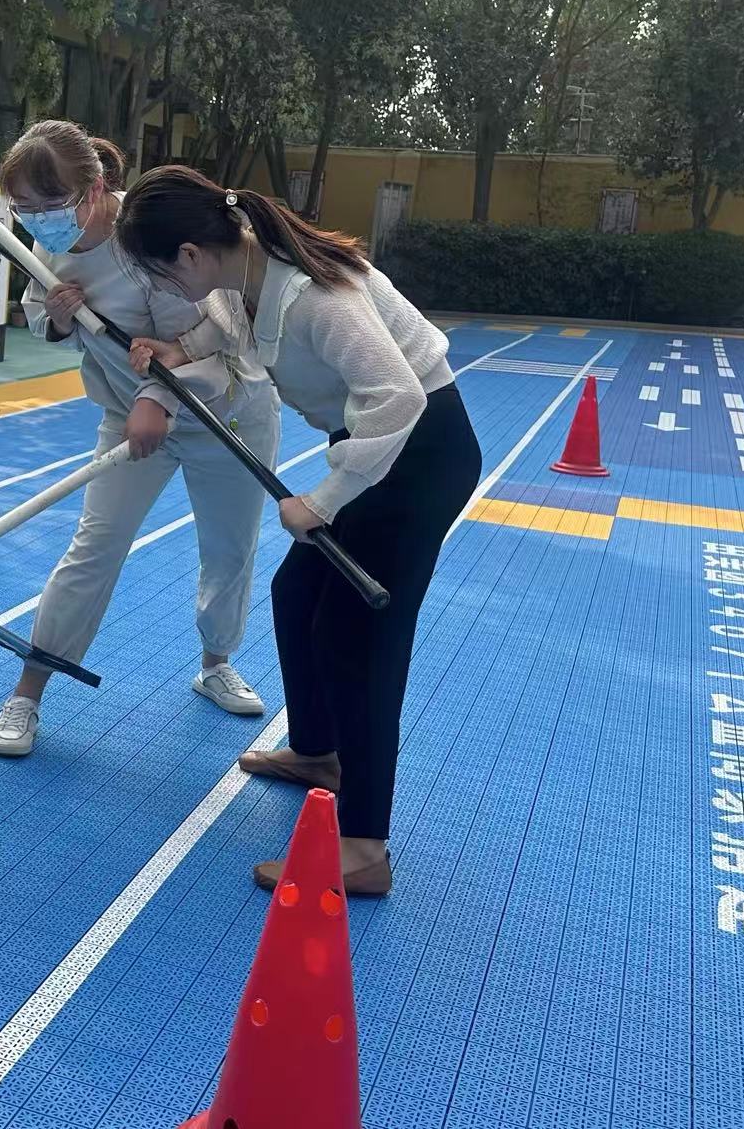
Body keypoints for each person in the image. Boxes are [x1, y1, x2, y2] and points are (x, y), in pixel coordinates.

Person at [119, 167, 480, 896]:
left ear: (190, 253)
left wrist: (323, 498)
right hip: (376, 447)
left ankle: (364, 846)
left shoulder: (318, 297)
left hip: (419, 454)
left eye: (161, 273)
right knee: (296, 594)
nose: (165, 288)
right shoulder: (243, 275)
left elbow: (398, 397)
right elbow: (229, 327)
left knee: (359, 637)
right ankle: (317, 753)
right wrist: (178, 352)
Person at [0, 121, 282, 758]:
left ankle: (216, 663)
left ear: (93, 190)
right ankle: (28, 691)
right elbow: (39, 312)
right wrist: (56, 319)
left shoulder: (148, 234)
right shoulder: (49, 241)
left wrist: (158, 399)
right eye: (24, 209)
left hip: (226, 411)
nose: (38, 220)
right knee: (93, 547)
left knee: (229, 548)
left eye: (48, 205)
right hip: (128, 418)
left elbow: (212, 338)